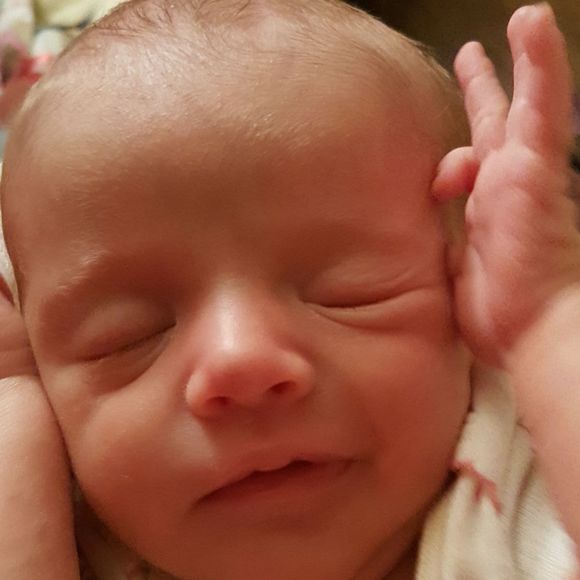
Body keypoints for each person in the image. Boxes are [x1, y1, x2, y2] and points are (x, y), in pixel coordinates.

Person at [0, 0, 579, 578]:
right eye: (128, 336)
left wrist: (544, 322)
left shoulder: (531, 483)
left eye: (348, 292)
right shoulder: (73, 532)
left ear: (464, 289)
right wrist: (13, 398)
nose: (240, 360)